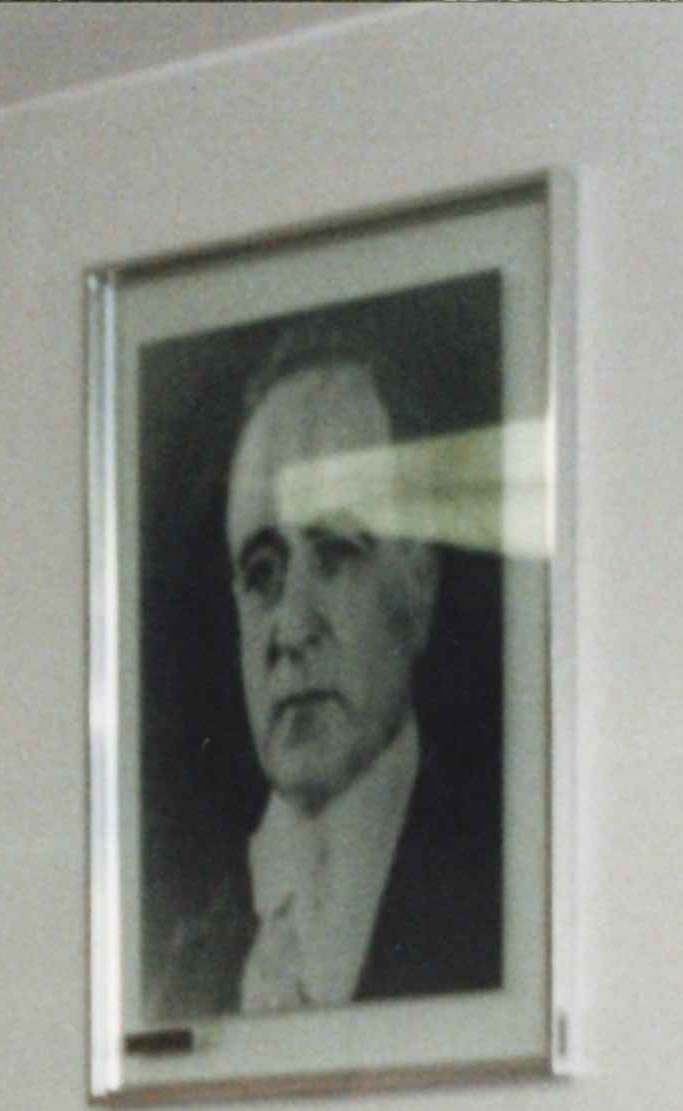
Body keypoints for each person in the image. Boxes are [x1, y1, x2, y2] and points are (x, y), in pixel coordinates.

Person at [145, 316, 504, 1021]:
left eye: (335, 552)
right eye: (262, 571)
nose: (291, 627)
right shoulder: (181, 959)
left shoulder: (493, 898)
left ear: (418, 582)